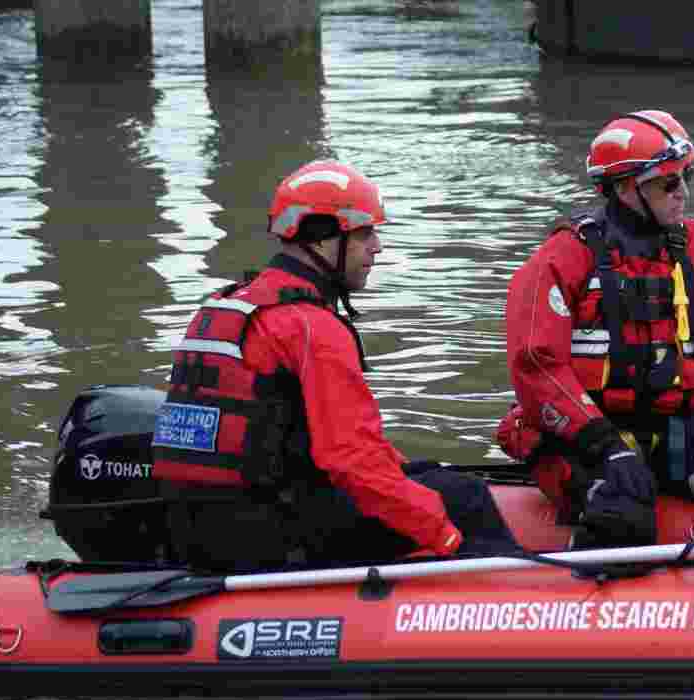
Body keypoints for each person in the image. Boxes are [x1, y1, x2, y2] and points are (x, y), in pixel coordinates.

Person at [151, 159, 521, 572]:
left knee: (426, 474)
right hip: (271, 534)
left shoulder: (227, 305)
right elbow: (349, 458)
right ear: (324, 240)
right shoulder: (310, 325)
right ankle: (521, 605)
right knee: (465, 498)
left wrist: (407, 475)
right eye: (365, 233)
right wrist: (443, 533)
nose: (377, 247)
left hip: (196, 527)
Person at [497, 110, 694, 549]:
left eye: (686, 177)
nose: (684, 193)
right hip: (584, 436)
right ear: (623, 187)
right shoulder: (564, 258)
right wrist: (606, 446)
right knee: (624, 502)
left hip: (671, 430)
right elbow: (537, 367)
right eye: (668, 183)